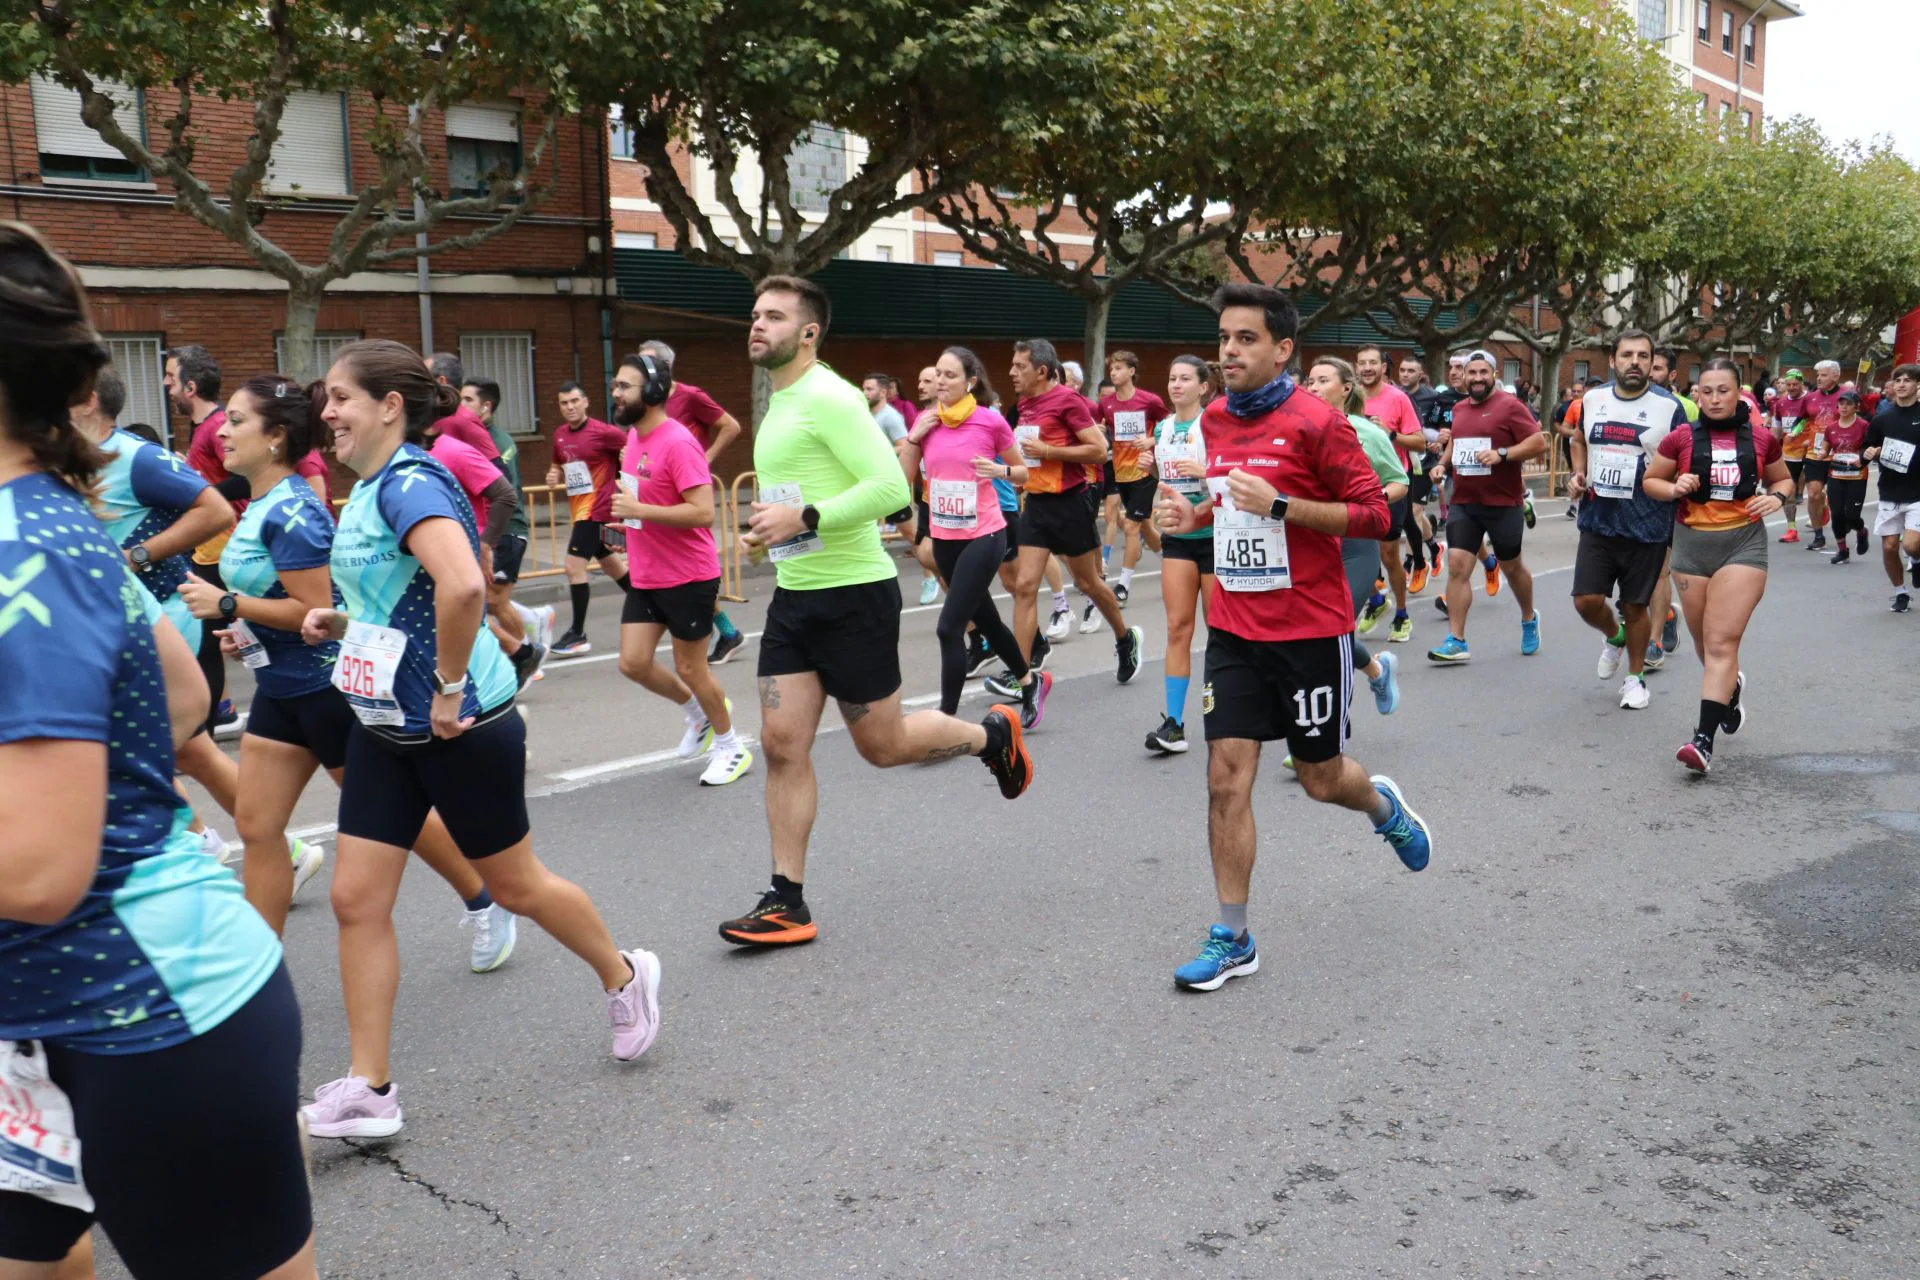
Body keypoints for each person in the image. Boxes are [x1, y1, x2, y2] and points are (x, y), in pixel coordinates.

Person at [0, 221, 320, 1280]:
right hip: (42, 1027)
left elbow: (40, 871)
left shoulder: (23, 548)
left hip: (149, 1015)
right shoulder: (56, 514)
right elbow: (182, 692)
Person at [300, 340, 661, 1139]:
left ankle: (625, 973)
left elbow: (463, 585)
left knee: (520, 887)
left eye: (340, 398)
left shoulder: (412, 482)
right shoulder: (366, 491)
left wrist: (451, 686)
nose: (326, 412)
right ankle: (370, 1087)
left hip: (459, 724)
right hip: (385, 725)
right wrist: (342, 621)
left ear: (389, 406)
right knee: (356, 899)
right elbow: (407, 599)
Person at [725, 276, 1033, 946]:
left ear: (808, 333)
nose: (757, 324)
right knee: (781, 746)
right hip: (796, 595)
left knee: (884, 747)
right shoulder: (779, 400)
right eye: (754, 314)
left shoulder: (829, 397)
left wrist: (805, 515)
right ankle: (787, 901)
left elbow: (892, 488)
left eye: (774, 316)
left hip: (853, 596)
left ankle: (992, 737)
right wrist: (775, 527)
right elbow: (807, 494)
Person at [174, 373, 516, 967]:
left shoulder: (298, 512)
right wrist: (246, 629)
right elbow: (284, 600)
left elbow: (312, 608)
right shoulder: (256, 504)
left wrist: (231, 606)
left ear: (276, 437)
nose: (220, 432)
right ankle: (258, 971)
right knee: (257, 828)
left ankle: (485, 898)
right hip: (280, 689)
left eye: (235, 421)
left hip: (329, 689)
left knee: (397, 822)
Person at [1152, 283, 1432, 992]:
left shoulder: (1318, 423)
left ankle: (1380, 806)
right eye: (1223, 338)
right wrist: (1194, 521)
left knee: (1319, 779)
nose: (1229, 351)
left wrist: (1282, 505)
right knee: (1224, 782)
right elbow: (1227, 509)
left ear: (1282, 349)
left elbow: (1374, 517)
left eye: (1245, 339)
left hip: (1310, 630)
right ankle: (1233, 936)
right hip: (1238, 630)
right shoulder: (1213, 419)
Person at [70, 370, 244, 863]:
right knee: (188, 749)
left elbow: (216, 511)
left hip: (164, 613)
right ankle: (264, 846)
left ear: (86, 401)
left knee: (140, 744)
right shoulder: (70, 461)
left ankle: (197, 848)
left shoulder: (136, 457)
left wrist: (135, 556)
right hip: (121, 620)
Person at [607, 352, 754, 786]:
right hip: (648, 571)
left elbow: (702, 512)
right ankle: (700, 715)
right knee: (633, 663)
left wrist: (640, 508)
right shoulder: (633, 440)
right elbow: (648, 504)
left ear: (652, 393)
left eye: (624, 386)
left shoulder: (678, 442)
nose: (615, 393)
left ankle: (732, 747)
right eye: (615, 385)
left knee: (692, 668)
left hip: (688, 575)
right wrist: (628, 520)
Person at [1642, 358, 1790, 775]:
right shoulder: (1680, 438)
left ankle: (1702, 742)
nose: (1714, 398)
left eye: (1723, 390)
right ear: (1696, 394)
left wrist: (1776, 498)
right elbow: (1651, 482)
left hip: (1742, 545)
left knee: (1722, 642)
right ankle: (1730, 689)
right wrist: (1675, 487)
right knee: (1705, 646)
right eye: (1706, 391)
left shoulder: (1761, 439)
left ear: (1739, 392)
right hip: (1691, 548)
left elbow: (1782, 480)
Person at [898, 346, 1051, 727]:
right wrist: (914, 439)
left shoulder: (989, 421)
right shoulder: (926, 422)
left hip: (985, 534)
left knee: (948, 627)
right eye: (939, 374)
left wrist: (998, 472)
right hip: (945, 536)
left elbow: (1023, 474)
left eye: (951, 375)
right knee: (987, 621)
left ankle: (947, 721)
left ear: (970, 381)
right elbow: (902, 481)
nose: (942, 382)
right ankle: (1030, 682)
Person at [1007, 338, 1143, 680]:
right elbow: (1029, 451)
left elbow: (1099, 450)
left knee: (1088, 583)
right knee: (1024, 586)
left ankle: (1125, 639)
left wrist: (1049, 451)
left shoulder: (1068, 401)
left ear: (1041, 370)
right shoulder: (1024, 403)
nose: (1012, 372)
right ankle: (1021, 675)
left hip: (1071, 502)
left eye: (1019, 366)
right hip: (1036, 503)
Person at [1564, 330, 1686, 711]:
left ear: (1653, 364)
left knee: (1635, 607)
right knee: (1586, 601)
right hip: (1599, 518)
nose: (1635, 362)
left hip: (1647, 523)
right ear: (1613, 360)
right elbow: (1579, 440)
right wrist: (1577, 474)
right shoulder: (1594, 400)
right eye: (1627, 354)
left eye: (1643, 356)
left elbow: (1684, 457)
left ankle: (1635, 679)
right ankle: (1613, 637)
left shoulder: (1670, 408)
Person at [1426, 349, 1547, 663]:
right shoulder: (1460, 408)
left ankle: (1528, 617)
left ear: (1493, 375)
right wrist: (1442, 464)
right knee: (1457, 567)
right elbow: (1457, 441)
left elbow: (1538, 442)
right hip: (1464, 502)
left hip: (1503, 502)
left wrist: (1502, 454)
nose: (1477, 378)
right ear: (1464, 376)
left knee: (1512, 568)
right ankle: (1456, 639)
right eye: (1472, 372)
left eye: (1483, 372)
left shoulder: (1510, 406)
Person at [1303, 357, 1406, 718]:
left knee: (1334, 629)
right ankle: (1377, 671)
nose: (1312, 387)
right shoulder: (1297, 431)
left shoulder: (1368, 433)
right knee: (1320, 634)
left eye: (1322, 380)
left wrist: (1369, 501)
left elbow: (1399, 481)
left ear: (1346, 388)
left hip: (1354, 546)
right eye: (1309, 381)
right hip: (1310, 544)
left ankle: (1330, 726)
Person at [634, 340, 747, 663]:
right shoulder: (644, 402)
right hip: (657, 492)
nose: (641, 368)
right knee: (673, 565)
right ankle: (725, 632)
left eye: (648, 363)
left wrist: (705, 458)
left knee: (693, 566)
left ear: (666, 368)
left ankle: (719, 634)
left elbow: (730, 426)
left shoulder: (690, 396)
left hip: (687, 492)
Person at [459, 375, 557, 668]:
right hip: (490, 531)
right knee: (485, 599)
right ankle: (533, 620)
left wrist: (489, 535)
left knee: (494, 601)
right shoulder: (473, 435)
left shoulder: (495, 441)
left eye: (467, 401)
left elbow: (503, 494)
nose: (460, 407)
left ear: (485, 407)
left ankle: (527, 655)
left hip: (506, 531)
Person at [1146, 355, 1215, 755]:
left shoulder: (1215, 423)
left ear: (1204, 386)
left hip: (1214, 533)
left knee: (1219, 631)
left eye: (1185, 378)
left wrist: (1205, 473)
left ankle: (1222, 714)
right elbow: (1170, 478)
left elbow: (1227, 475)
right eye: (1172, 378)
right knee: (1177, 627)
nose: (1175, 385)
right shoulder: (1164, 428)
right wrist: (1152, 471)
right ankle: (1173, 724)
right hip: (1177, 535)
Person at [543, 381, 630, 656]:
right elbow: (558, 461)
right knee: (612, 565)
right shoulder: (559, 435)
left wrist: (625, 478)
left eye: (574, 401)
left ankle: (577, 634)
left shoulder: (605, 433)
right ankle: (654, 607)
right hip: (580, 510)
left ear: (586, 402)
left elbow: (634, 451)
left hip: (598, 510)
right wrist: (554, 474)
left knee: (573, 566)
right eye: (564, 403)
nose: (569, 407)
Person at [1355, 343, 1425, 643]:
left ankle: (1402, 614)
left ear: (1384, 367)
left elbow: (1421, 442)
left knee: (1388, 554)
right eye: (1362, 363)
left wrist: (1390, 434)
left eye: (1373, 362)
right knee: (1352, 551)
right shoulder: (1349, 397)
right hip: (1356, 483)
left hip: (1391, 483)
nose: (1367, 368)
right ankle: (1376, 599)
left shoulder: (1398, 399)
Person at [1095, 350, 1167, 606]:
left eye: (1119, 368)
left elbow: (1168, 424)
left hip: (1145, 469)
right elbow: (1100, 429)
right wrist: (1100, 430)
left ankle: (1123, 586)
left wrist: (1152, 439)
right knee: (1146, 526)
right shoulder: (1107, 404)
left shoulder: (1150, 401)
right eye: (1111, 369)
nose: (1113, 373)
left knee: (1131, 526)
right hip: (1121, 471)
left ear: (1132, 371)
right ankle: (1170, 564)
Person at [1865, 363, 1920, 612]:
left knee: (1910, 545)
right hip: (1890, 491)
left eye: (1907, 380)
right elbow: (1865, 452)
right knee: (1889, 547)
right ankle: (1901, 593)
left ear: (1917, 385)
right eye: (1898, 379)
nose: (1901, 384)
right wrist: (1868, 454)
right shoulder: (1881, 420)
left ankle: (1916, 560)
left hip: (1918, 492)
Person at [1395, 354, 1441, 590]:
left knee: (1413, 511)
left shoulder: (1432, 398)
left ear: (1420, 375)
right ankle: (1433, 545)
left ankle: (1411, 564)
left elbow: (1438, 427)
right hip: (1399, 463)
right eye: (1402, 370)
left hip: (1423, 463)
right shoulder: (1394, 395)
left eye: (1410, 371)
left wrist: (1436, 441)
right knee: (1409, 513)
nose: (1405, 374)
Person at [1797, 360, 1846, 552]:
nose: (1818, 378)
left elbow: (1858, 421)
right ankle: (1818, 535)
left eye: (1824, 375)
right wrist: (1797, 433)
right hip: (1814, 453)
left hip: (1839, 453)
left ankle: (1838, 523)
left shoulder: (1846, 397)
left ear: (1835, 376)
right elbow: (1801, 420)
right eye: (1817, 375)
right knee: (1814, 494)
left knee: (1837, 500)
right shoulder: (1810, 398)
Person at [1823, 391, 1870, 565]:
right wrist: (1822, 453)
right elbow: (1825, 448)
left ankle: (1861, 531)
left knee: (1851, 515)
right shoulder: (1831, 427)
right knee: (1836, 513)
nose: (1843, 407)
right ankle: (1842, 550)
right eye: (1841, 403)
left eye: (1848, 404)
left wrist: (1863, 456)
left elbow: (1871, 447)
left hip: (1857, 476)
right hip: (1836, 474)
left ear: (1856, 406)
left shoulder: (1864, 425)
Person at [1771, 368, 1809, 540]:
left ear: (1802, 383)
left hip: (1812, 451)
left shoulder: (1811, 399)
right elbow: (1776, 429)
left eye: (1795, 384)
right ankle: (1792, 529)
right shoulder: (1780, 404)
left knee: (1816, 491)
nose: (1792, 387)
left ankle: (1822, 509)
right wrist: (1771, 449)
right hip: (1789, 452)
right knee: (1790, 489)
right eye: (1789, 385)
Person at [863, 372, 908, 444]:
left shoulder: (891, 416)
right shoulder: (866, 413)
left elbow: (903, 446)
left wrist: (878, 455)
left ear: (883, 393)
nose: (864, 393)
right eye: (864, 389)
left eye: (869, 389)